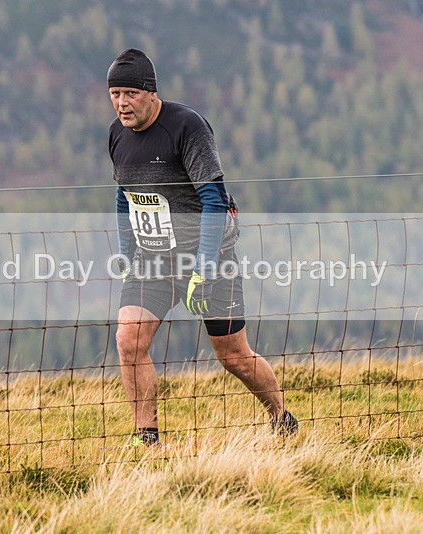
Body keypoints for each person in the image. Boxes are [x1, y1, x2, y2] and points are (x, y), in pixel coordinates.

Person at [107, 48, 298, 445]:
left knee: (233, 358)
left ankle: (281, 417)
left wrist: (204, 269)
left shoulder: (186, 127)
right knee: (129, 340)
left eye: (130, 93)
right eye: (115, 94)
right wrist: (127, 253)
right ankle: (147, 439)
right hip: (153, 261)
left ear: (151, 92)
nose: (122, 103)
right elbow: (125, 194)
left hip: (209, 257)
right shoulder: (116, 134)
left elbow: (214, 200)